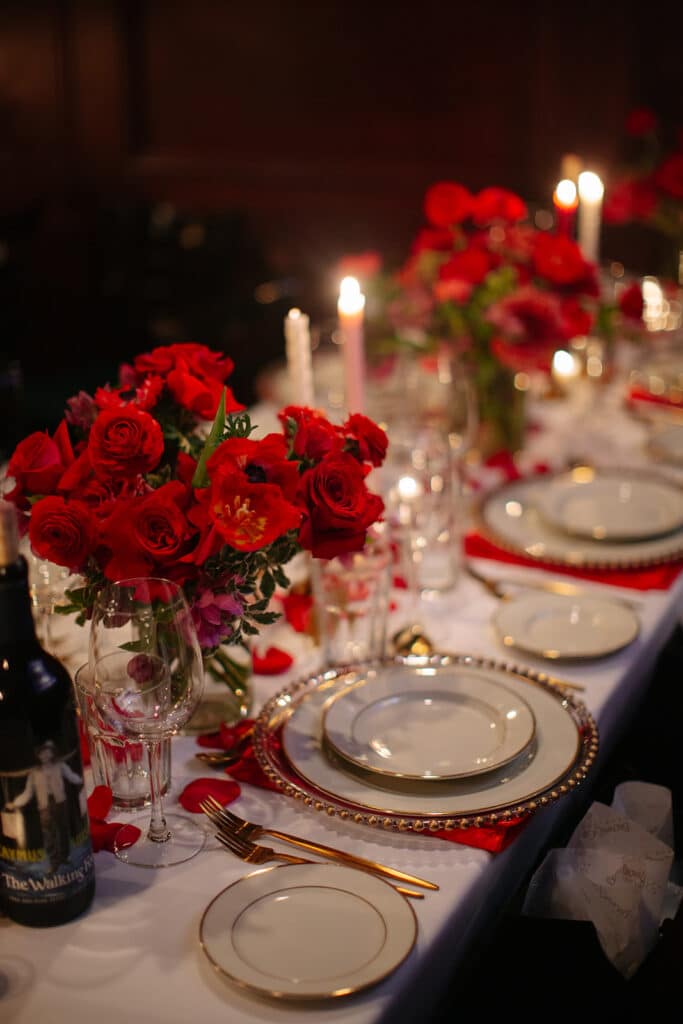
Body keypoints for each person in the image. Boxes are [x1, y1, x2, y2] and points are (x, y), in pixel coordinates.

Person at [3, 740, 84, 873]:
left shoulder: (60, 766)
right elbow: (28, 793)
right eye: (42, 753)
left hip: (60, 802)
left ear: (52, 753)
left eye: (48, 752)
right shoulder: (34, 773)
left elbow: (72, 776)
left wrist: (80, 780)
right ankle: (54, 862)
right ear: (39, 756)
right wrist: (15, 803)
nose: (45, 755)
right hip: (44, 806)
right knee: (48, 834)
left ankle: (64, 856)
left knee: (63, 831)